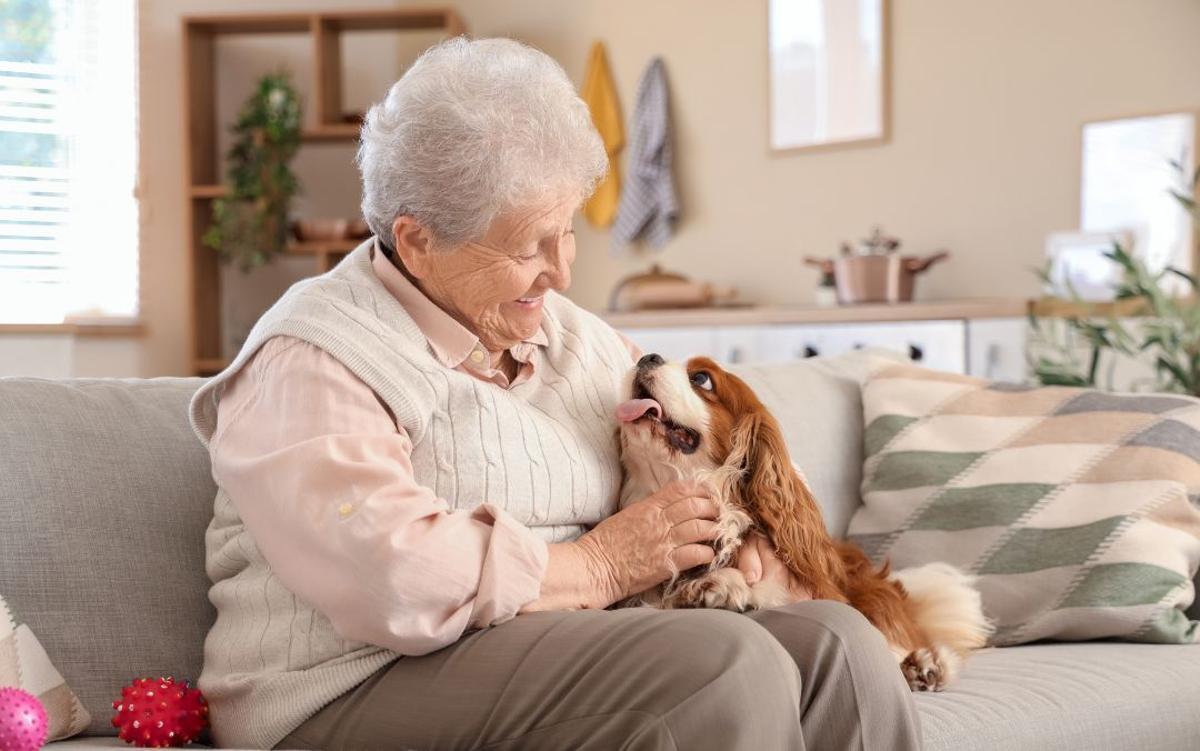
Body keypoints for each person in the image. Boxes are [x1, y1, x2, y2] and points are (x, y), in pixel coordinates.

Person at [188, 37, 922, 751]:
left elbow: (709, 440)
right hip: (347, 681)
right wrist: (600, 565)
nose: (562, 271)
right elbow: (394, 576)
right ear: (416, 241)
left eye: (567, 231)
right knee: (726, 662)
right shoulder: (313, 356)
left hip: (555, 638)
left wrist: (757, 544)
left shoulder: (569, 336)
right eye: (528, 245)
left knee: (839, 643)